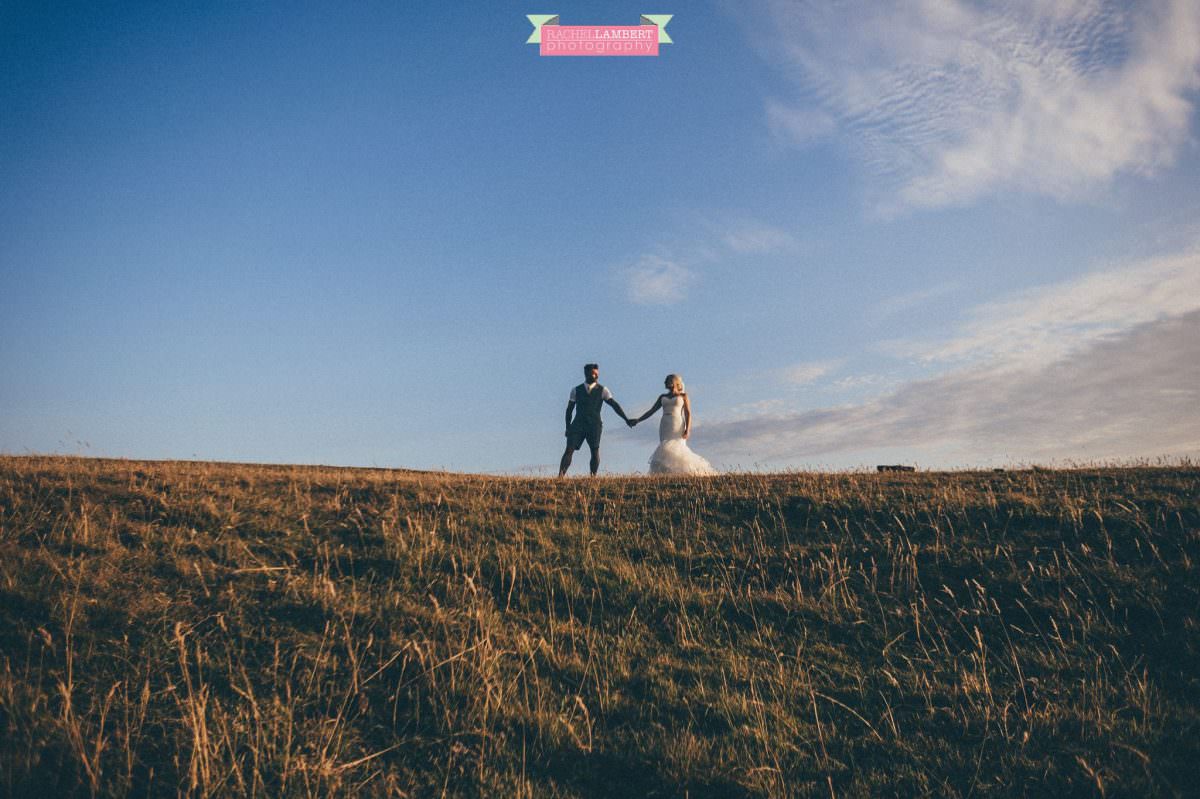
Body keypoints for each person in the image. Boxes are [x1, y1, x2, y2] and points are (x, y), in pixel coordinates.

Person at [559, 363, 635, 477]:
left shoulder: (603, 390)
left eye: (597, 374)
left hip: (594, 425)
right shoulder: (576, 390)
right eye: (593, 373)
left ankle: (593, 477)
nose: (596, 376)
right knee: (569, 449)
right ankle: (560, 476)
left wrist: (626, 419)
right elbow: (569, 410)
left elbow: (614, 405)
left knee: (595, 451)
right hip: (578, 424)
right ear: (586, 373)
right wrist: (567, 427)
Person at [633, 374, 716, 475]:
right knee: (665, 447)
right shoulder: (662, 397)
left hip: (677, 423)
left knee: (678, 447)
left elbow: (688, 413)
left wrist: (688, 430)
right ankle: (666, 473)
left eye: (667, 381)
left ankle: (684, 472)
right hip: (665, 424)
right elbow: (651, 411)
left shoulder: (683, 396)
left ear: (674, 382)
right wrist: (638, 420)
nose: (665, 383)